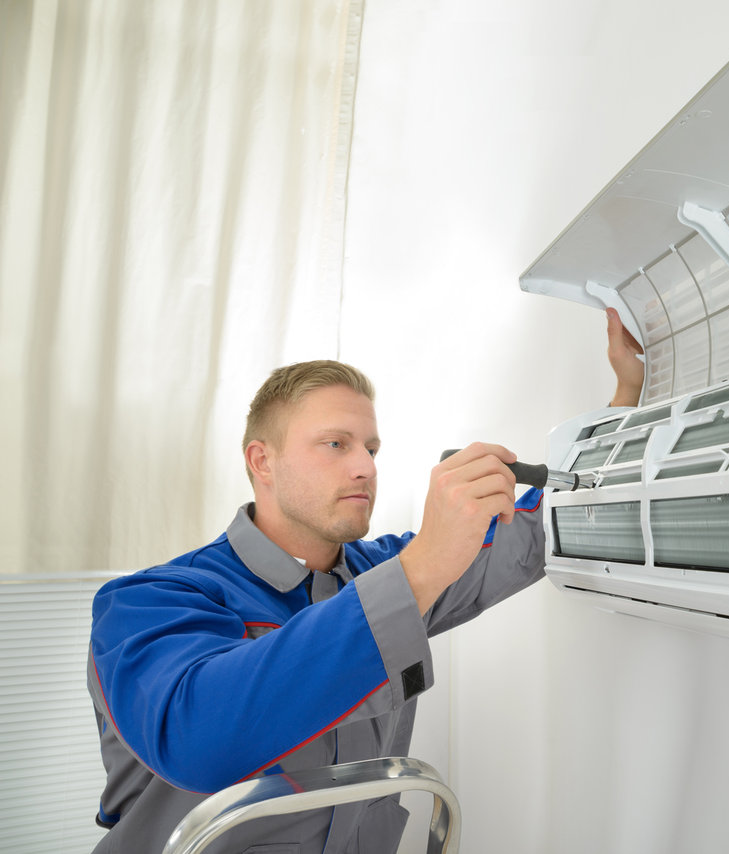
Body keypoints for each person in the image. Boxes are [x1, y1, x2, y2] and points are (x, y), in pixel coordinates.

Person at [87, 308, 644, 853]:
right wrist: (424, 565)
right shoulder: (147, 602)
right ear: (263, 461)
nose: (366, 467)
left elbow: (538, 530)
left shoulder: (384, 573)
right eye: (336, 444)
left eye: (371, 448)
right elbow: (199, 738)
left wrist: (626, 400)